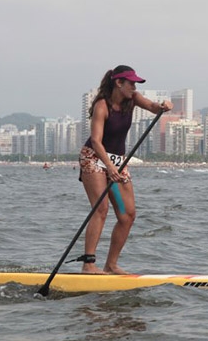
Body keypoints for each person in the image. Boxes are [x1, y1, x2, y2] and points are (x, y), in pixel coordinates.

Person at [76, 65, 172, 274]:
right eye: (131, 83)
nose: (134, 86)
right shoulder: (102, 105)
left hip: (117, 160)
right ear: (118, 83)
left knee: (128, 215)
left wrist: (163, 106)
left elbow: (153, 107)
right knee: (101, 209)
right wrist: (109, 167)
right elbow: (96, 140)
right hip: (93, 157)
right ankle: (88, 264)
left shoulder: (133, 99)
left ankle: (111, 265)